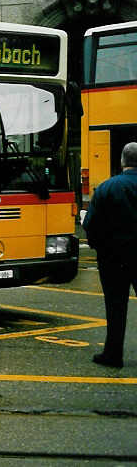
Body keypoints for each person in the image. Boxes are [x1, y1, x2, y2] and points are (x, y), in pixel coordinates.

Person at [82, 142, 137, 368]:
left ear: (122, 161)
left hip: (113, 258)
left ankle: (113, 354)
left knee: (115, 306)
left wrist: (100, 247)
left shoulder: (107, 188)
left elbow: (90, 225)